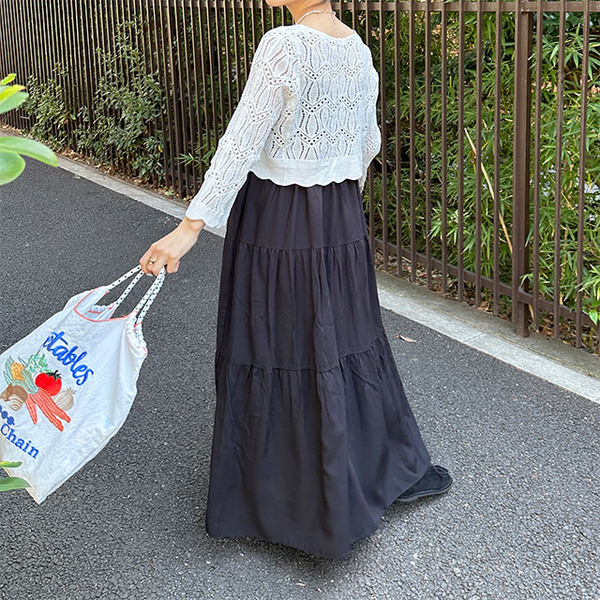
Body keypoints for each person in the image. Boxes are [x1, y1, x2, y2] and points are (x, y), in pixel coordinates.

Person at [139, 0, 452, 560]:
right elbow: (368, 143)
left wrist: (189, 228)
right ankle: (374, 469)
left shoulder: (284, 44)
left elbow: (242, 140)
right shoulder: (357, 50)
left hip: (280, 218)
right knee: (347, 339)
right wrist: (336, 197)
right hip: (341, 217)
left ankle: (292, 500)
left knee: (280, 341)